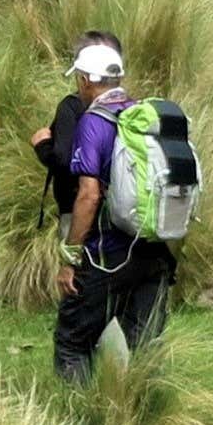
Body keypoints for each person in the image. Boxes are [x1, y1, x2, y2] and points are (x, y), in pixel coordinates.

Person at [49, 40, 174, 386]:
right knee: (145, 348)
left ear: (87, 80)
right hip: (154, 250)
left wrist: (70, 256)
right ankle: (148, 418)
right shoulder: (144, 115)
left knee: (72, 343)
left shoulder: (94, 122)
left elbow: (88, 195)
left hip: (108, 255)